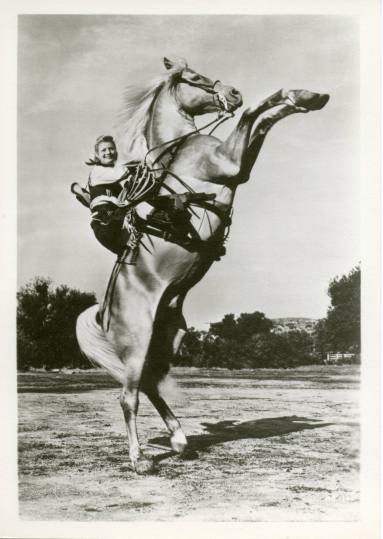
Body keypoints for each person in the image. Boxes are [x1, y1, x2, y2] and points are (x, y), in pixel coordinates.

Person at [86, 135, 132, 255]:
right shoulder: (98, 172)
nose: (108, 152)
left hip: (116, 219)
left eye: (111, 149)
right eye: (104, 150)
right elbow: (125, 172)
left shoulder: (112, 177)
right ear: (97, 155)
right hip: (106, 226)